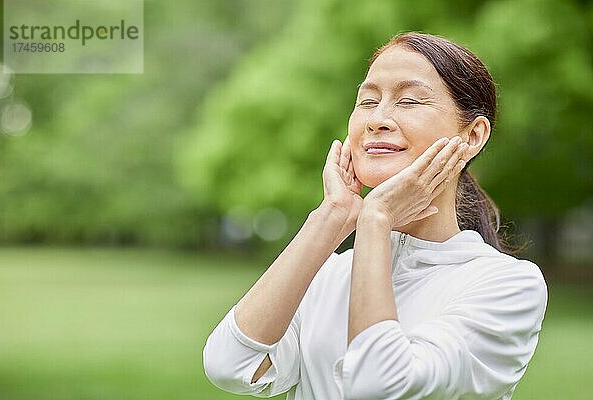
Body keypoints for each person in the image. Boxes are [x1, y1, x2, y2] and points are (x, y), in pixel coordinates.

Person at [202, 32, 547, 400]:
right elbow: (230, 366)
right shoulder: (328, 274)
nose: (378, 119)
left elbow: (380, 384)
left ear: (473, 135)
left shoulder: (507, 286)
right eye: (367, 101)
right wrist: (333, 215)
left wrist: (375, 221)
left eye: (409, 100)